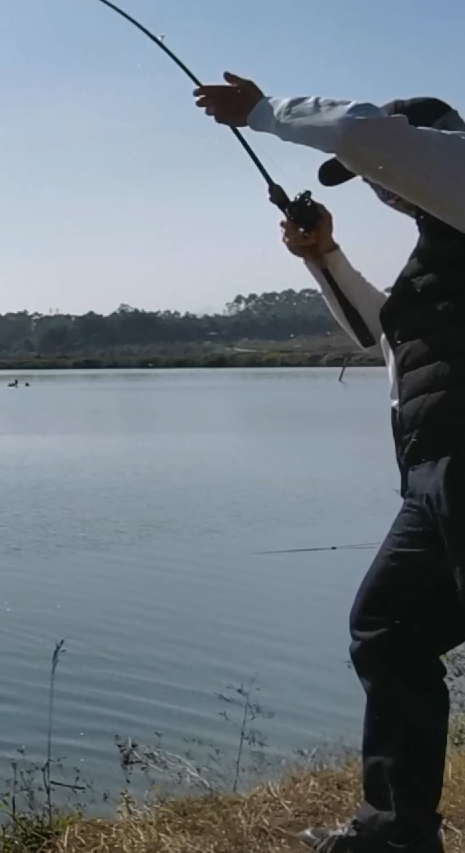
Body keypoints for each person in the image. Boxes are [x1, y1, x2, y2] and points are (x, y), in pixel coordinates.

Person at [194, 74, 465, 853]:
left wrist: (262, 112)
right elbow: (383, 338)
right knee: (388, 631)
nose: (380, 190)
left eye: (383, 174)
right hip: (433, 483)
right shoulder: (440, 257)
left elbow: (365, 138)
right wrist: (325, 255)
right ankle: (395, 834)